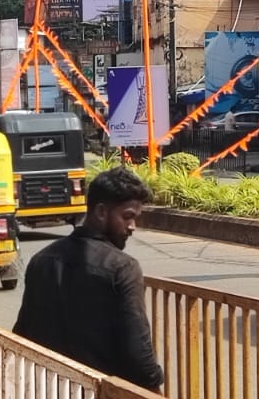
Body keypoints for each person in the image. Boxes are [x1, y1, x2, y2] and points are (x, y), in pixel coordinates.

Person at [14, 167, 163, 390]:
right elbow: (139, 355)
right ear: (101, 212)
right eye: (127, 216)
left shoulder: (40, 260)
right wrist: (154, 382)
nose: (132, 227)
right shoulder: (123, 268)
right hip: (101, 390)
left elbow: (23, 333)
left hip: (48, 388)